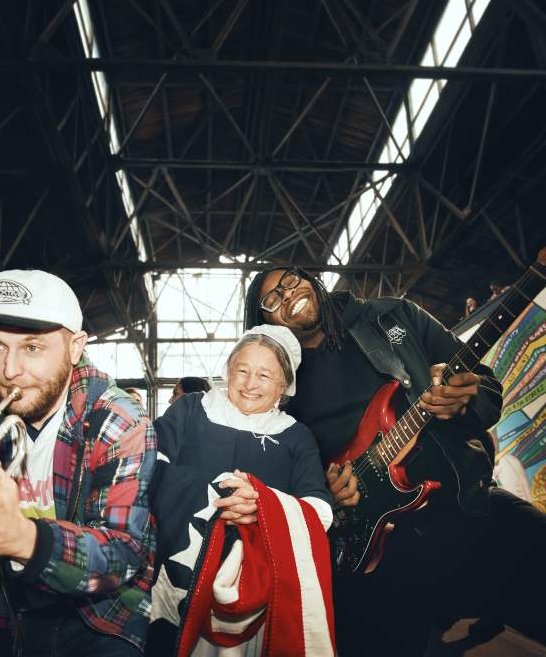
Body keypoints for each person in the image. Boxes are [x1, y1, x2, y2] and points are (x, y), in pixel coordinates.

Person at [244, 266, 546, 655]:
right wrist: (321, 492)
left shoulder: (393, 316)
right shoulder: (280, 390)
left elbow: (486, 389)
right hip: (373, 551)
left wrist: (467, 399)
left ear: (310, 279)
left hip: (463, 501)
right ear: (265, 322)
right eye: (272, 299)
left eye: (290, 281)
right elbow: (279, 482)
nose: (287, 294)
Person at [0, 269, 157, 656]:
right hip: (11, 611)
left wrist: (23, 538)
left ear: (75, 348)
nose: (10, 371)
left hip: (101, 618)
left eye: (32, 347)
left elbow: (123, 553)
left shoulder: (118, 419)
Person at [147, 325, 335, 656]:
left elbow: (319, 510)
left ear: (283, 385)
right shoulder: (192, 410)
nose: (250, 384)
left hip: (255, 592)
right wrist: (215, 494)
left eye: (264, 375)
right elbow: (148, 466)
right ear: (228, 370)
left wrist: (264, 505)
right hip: (177, 574)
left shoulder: (296, 437)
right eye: (242, 370)